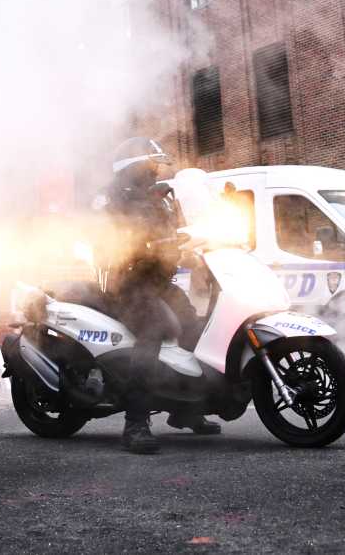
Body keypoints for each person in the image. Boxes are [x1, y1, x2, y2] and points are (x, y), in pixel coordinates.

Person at [104, 138, 220, 454]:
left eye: (156, 165)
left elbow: (182, 232)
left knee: (196, 330)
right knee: (154, 329)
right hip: (127, 286)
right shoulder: (115, 201)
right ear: (133, 169)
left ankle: (187, 410)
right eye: (150, 166)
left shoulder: (163, 198)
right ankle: (136, 422)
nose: (156, 171)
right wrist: (148, 245)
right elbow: (114, 242)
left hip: (160, 283)